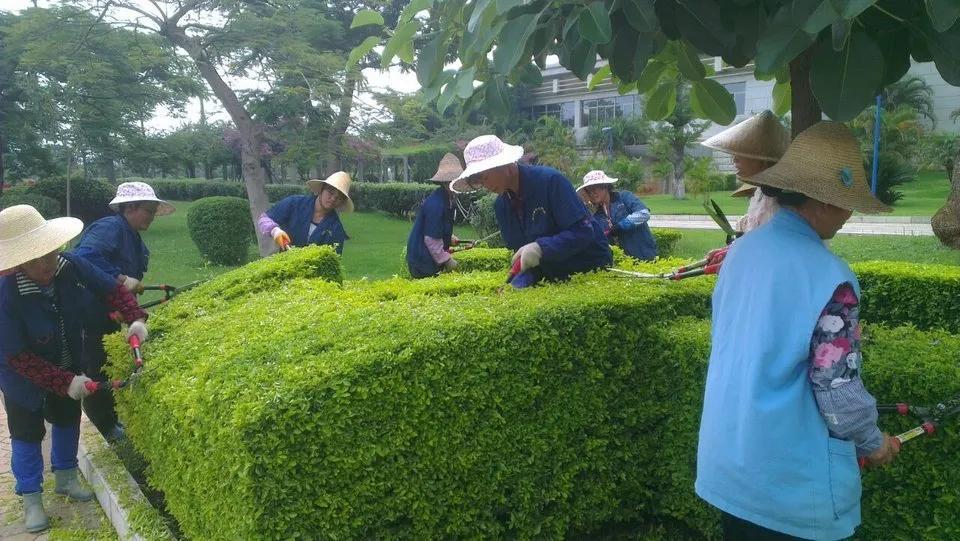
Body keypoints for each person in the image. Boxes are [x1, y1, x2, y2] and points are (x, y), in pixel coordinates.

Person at [695, 122, 899, 541]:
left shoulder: (741, 251)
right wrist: (873, 442)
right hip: (788, 489)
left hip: (729, 467)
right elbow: (837, 389)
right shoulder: (830, 275)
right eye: (847, 202)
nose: (849, 214)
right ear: (822, 201)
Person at [0, 205, 148, 533]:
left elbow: (111, 289)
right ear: (17, 262)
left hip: (67, 360)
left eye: (49, 254)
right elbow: (16, 356)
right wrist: (63, 381)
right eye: (35, 259)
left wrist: (135, 317)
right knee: (26, 434)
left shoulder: (70, 266)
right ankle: (31, 497)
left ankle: (65, 477)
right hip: (21, 378)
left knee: (67, 420)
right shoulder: (5, 296)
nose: (46, 265)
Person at [71, 181, 173, 440]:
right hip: (90, 314)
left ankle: (109, 422)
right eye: (148, 210)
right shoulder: (110, 228)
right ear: (130, 207)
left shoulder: (132, 236)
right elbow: (83, 257)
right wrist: (121, 278)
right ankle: (103, 428)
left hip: (109, 311)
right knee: (97, 368)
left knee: (108, 364)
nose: (151, 216)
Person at [451, 135, 611, 288]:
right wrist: (519, 282)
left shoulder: (550, 182)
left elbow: (583, 232)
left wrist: (541, 247)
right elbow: (524, 256)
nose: (485, 185)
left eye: (485, 177)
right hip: (553, 275)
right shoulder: (501, 206)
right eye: (479, 181)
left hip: (589, 268)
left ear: (504, 166)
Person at [700, 110, 789, 235]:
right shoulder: (761, 192)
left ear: (762, 160)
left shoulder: (783, 203)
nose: (734, 159)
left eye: (741, 153)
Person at [257, 172, 353, 254]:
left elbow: (332, 262)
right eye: (331, 192)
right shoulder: (294, 203)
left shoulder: (336, 229)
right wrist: (275, 231)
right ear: (321, 190)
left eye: (339, 197)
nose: (333, 199)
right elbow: (264, 219)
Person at [576, 170, 657, 261]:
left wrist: (621, 226)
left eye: (594, 189)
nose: (592, 193)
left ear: (605, 186)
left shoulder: (624, 197)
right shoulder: (596, 214)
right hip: (622, 263)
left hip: (645, 256)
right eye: (589, 191)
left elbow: (644, 213)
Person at [406, 153, 464, 278]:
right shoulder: (436, 204)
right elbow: (431, 239)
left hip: (429, 257)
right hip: (422, 261)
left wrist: (449, 237)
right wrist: (446, 260)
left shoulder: (447, 199)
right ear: (448, 183)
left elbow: (439, 226)